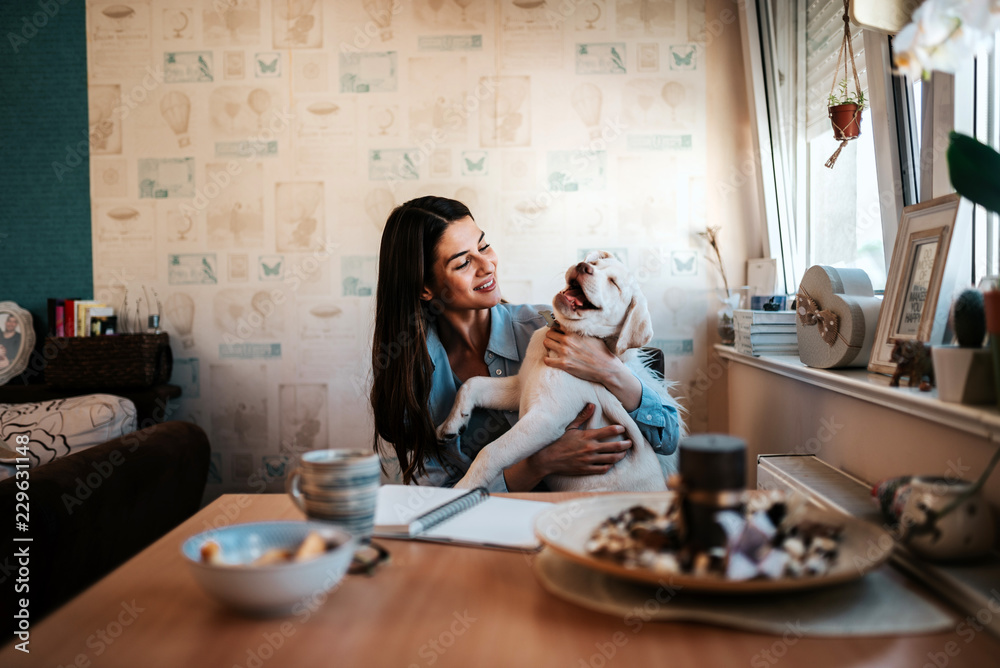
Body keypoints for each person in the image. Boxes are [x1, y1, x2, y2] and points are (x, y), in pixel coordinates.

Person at [370, 196, 682, 492]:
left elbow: (667, 436)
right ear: (425, 288)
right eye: (464, 262)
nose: (487, 266)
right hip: (488, 527)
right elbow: (439, 496)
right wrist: (540, 464)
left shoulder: (560, 326)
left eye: (484, 246)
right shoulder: (415, 376)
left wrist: (610, 370)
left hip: (597, 512)